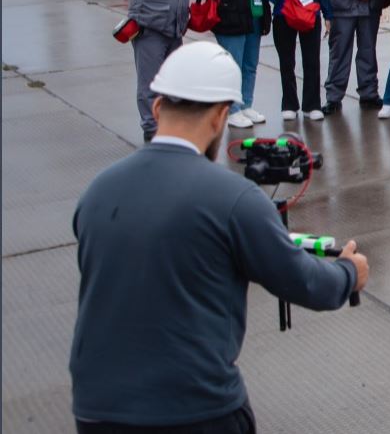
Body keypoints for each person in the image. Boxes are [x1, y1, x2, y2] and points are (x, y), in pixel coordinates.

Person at [70, 42, 368, 432]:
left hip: (96, 409)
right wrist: (349, 272)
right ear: (219, 117)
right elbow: (306, 283)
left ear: (157, 108)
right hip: (194, 410)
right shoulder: (233, 199)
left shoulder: (97, 191)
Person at [116, 0, 190, 142]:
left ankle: (172, 123)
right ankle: (152, 128)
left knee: (174, 81)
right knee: (149, 84)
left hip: (174, 31)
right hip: (150, 31)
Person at [203, 0, 268, 129]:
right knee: (233, 68)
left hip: (253, 22)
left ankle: (246, 104)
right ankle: (232, 110)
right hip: (231, 23)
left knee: (250, 66)